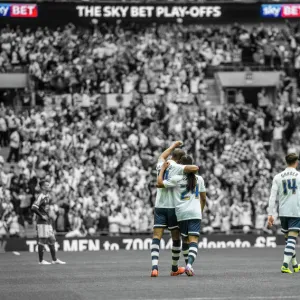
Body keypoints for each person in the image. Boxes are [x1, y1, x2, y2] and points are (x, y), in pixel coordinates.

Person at [150, 141, 199, 277]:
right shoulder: (178, 167)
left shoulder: (161, 164)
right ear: (180, 160)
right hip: (173, 207)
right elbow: (194, 168)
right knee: (176, 238)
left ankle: (154, 267)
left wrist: (172, 146)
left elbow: (161, 156)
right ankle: (174, 267)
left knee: (156, 237)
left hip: (159, 205)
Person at [157, 155, 206, 276]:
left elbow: (159, 184)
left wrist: (162, 170)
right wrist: (200, 210)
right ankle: (189, 265)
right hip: (195, 212)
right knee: (193, 240)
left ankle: (182, 266)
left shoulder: (177, 178)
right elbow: (203, 198)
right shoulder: (199, 179)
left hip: (182, 213)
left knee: (185, 240)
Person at [267, 153, 300, 273]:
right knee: (292, 238)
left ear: (286, 162)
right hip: (296, 210)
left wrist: (270, 214)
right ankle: (285, 265)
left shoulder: (278, 177)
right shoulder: (299, 176)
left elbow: (272, 197)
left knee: (289, 239)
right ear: (296, 162)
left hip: (283, 211)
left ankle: (295, 265)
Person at [31, 180, 66, 265]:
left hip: (47, 222)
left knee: (52, 240)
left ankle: (54, 259)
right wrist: (41, 216)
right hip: (42, 222)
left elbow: (44, 209)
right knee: (42, 240)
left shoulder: (47, 196)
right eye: (47, 185)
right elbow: (33, 207)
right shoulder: (41, 196)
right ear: (43, 187)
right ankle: (41, 261)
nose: (49, 186)